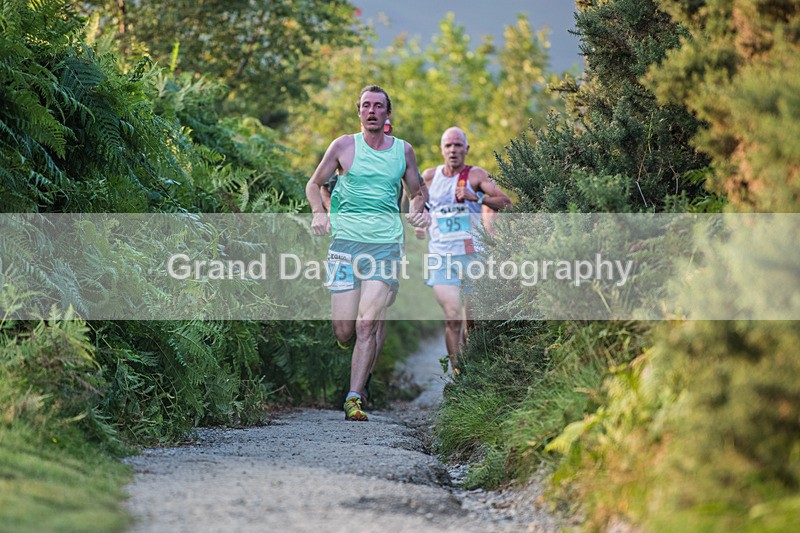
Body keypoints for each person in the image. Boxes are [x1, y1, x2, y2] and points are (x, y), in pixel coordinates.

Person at [306, 85, 428, 421]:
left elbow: (418, 192)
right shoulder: (343, 146)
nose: (371, 111)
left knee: (366, 324)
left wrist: (420, 210)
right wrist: (319, 212)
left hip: (386, 245)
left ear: (388, 114)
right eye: (365, 106)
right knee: (344, 331)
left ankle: (354, 397)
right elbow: (314, 184)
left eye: (378, 106)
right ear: (358, 112)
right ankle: (364, 361)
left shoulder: (403, 151)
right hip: (345, 245)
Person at [416, 126, 512, 371]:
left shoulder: (476, 175)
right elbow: (415, 203)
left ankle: (474, 368)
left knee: (473, 322)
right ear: (441, 149)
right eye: (448, 145)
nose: (453, 150)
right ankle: (459, 375)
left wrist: (476, 198)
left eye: (458, 145)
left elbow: (506, 203)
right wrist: (419, 219)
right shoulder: (429, 177)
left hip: (472, 255)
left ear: (466, 149)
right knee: (452, 316)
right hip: (441, 257)